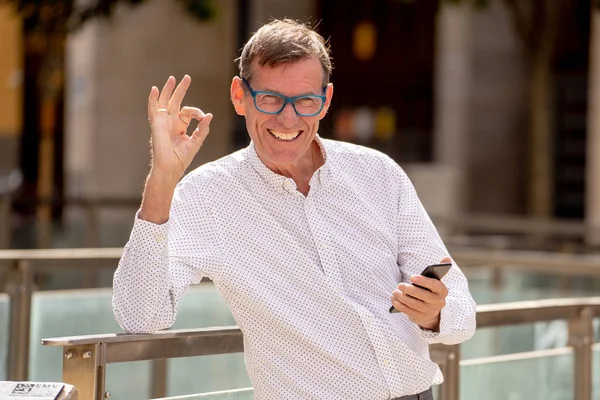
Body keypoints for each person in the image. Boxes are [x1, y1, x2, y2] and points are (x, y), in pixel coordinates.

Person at [112, 18, 476, 400]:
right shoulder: (207, 197)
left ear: (327, 101)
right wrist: (161, 182)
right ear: (240, 95)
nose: (288, 119)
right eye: (270, 98)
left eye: (305, 101)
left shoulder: (379, 174)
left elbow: (461, 310)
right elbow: (141, 316)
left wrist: (435, 313)